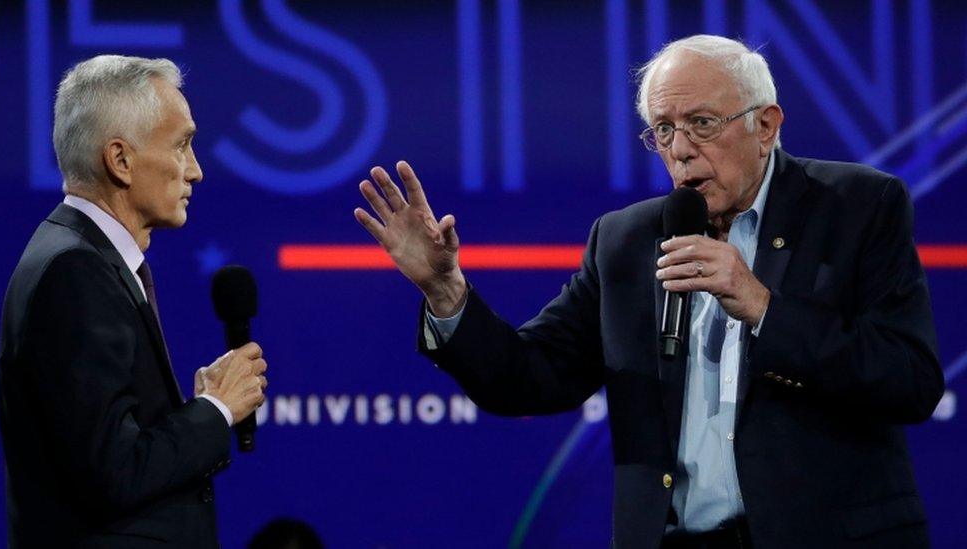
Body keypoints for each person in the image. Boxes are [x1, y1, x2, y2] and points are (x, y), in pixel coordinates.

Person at [354, 35, 943, 548]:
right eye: (663, 130)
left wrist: (763, 307)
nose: (681, 148)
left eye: (702, 124)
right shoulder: (626, 240)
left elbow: (909, 381)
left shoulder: (858, 206)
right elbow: (527, 376)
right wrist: (446, 290)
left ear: (765, 126)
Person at [0, 55, 268, 547]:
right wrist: (215, 409)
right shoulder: (74, 270)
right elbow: (113, 473)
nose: (197, 171)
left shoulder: (84, 257)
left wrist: (197, 408)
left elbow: (105, 449)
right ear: (120, 160)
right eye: (183, 145)